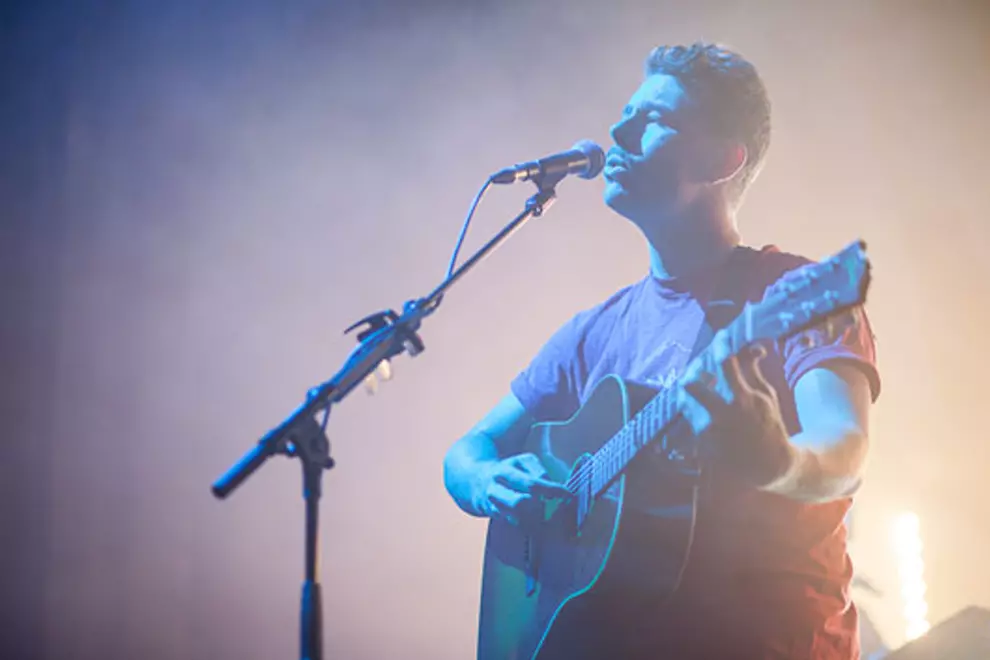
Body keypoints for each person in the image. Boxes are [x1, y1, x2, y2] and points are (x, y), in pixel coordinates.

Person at [443, 42, 880, 660]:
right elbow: (465, 454)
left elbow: (844, 452)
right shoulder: (593, 332)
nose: (617, 133)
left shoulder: (793, 293)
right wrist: (490, 482)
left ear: (723, 160)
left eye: (653, 119)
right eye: (624, 115)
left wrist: (776, 460)